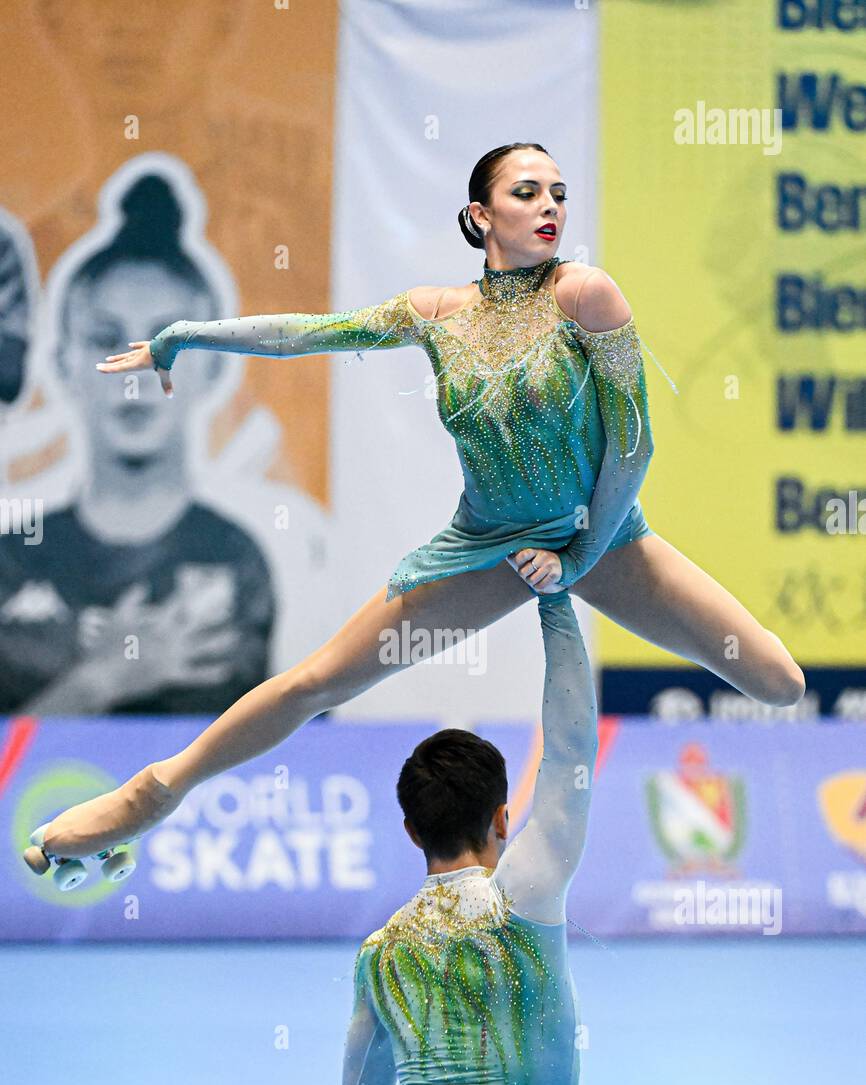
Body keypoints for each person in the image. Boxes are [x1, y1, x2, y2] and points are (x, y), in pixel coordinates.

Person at [28, 142, 805, 867]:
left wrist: (577, 556)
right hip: (488, 545)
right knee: (318, 680)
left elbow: (633, 448)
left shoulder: (586, 296)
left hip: (598, 537)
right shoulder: (437, 313)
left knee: (777, 681)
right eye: (526, 192)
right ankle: (155, 791)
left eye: (558, 194)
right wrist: (188, 335)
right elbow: (311, 333)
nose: (550, 207)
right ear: (479, 217)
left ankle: (156, 792)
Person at [343, 588, 591, 1085]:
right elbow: (572, 754)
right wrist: (555, 604)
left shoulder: (381, 951)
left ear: (412, 831)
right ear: (504, 820)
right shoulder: (527, 898)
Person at [0, 174, 275, 716]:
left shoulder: (235, 561)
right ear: (62, 365)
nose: (137, 371)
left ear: (214, 367)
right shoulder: (10, 560)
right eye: (105, 338)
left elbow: (249, 761)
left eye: (167, 342)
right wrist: (103, 681)